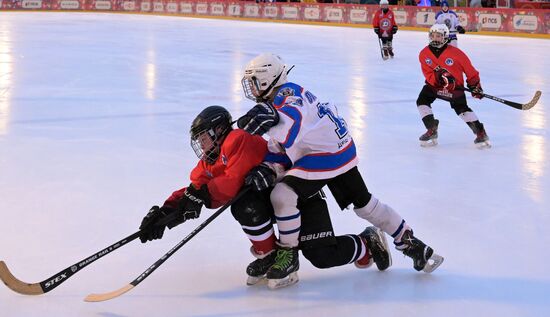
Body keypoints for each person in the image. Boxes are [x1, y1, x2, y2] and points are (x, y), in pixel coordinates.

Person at [239, 53, 444, 288]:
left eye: (253, 81)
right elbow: (280, 144)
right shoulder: (282, 96)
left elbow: (291, 124)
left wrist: (274, 119)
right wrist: (269, 167)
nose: (250, 88)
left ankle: (287, 254)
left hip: (325, 156)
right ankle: (410, 242)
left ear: (266, 80)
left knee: (282, 195)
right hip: (339, 151)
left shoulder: (286, 94)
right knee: (365, 204)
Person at [137, 105, 392, 290]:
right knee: (243, 205)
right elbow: (197, 187)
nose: (202, 145)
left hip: (302, 195)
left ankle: (368, 243)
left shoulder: (240, 139)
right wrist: (166, 213)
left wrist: (199, 197)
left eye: (204, 138)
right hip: (276, 200)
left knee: (322, 256)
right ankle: (270, 255)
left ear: (218, 130)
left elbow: (229, 184)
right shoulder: (211, 160)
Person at [416, 24, 489, 148]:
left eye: (438, 36)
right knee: (422, 101)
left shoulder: (456, 53)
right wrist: (438, 79)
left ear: (445, 37)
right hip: (434, 86)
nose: (435, 38)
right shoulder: (424, 53)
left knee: (462, 110)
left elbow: (470, 71)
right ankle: (431, 129)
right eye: (433, 35)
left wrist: (475, 85)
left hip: (454, 88)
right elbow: (427, 73)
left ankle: (480, 132)